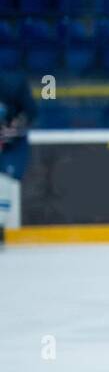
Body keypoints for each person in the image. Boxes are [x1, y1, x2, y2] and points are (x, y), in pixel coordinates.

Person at [0, 73, 36, 244]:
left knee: (3, 182)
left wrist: (15, 127)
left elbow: (30, 112)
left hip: (11, 145)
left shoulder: (14, 84)